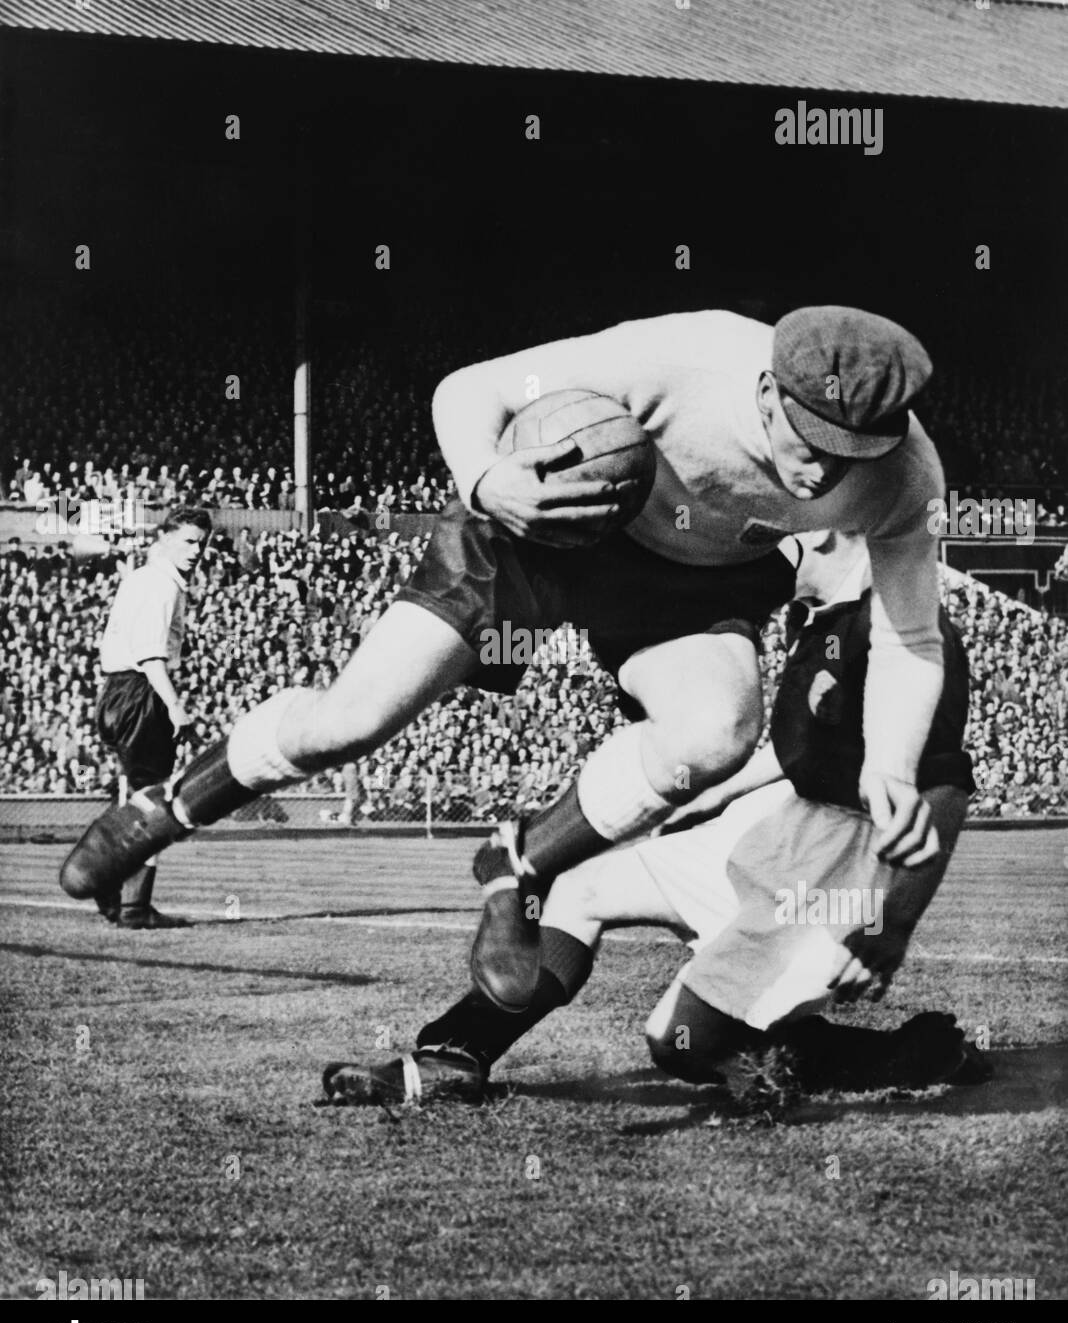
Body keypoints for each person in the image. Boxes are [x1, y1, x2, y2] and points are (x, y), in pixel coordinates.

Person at [61, 307, 945, 1009]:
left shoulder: (905, 475)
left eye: (852, 457)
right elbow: (470, 388)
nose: (826, 477)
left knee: (715, 734)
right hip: (537, 532)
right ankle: (169, 805)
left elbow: (911, 636)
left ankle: (516, 863)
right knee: (350, 723)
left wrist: (896, 766)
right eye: (811, 446)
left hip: (689, 585)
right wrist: (487, 479)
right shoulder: (680, 358)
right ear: (765, 394)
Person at [323, 532, 988, 1106]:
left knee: (679, 1042)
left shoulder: (902, 628)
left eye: (767, 532)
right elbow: (811, 749)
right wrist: (711, 795)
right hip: (780, 820)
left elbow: (945, 788)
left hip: (841, 854)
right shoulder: (819, 612)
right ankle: (454, 1058)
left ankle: (901, 1056)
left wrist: (890, 919)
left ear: (820, 534)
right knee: (578, 887)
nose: (745, 548)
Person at [92, 506, 211, 927]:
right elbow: (150, 656)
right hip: (140, 691)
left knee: (130, 799)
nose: (197, 550)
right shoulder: (162, 585)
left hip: (119, 691)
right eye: (188, 541)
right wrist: (175, 705)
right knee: (150, 800)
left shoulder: (142, 578)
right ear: (163, 538)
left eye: (201, 542)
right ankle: (133, 906)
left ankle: (111, 895)